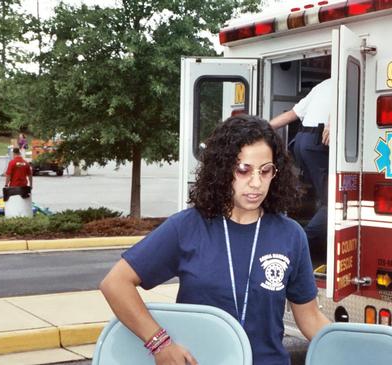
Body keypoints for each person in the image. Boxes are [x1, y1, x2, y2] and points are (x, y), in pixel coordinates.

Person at [100, 115, 330, 365]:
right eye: (243, 170)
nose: (256, 183)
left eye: (265, 171)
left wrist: (349, 348)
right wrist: (159, 343)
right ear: (223, 169)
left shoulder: (290, 235)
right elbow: (116, 283)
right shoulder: (187, 227)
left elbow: (310, 318)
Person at [269, 78, 331, 249]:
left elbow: (292, 114)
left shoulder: (322, 85)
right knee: (332, 202)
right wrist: (334, 121)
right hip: (317, 144)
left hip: (301, 144)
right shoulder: (347, 79)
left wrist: (263, 126)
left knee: (321, 195)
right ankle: (297, 243)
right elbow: (344, 99)